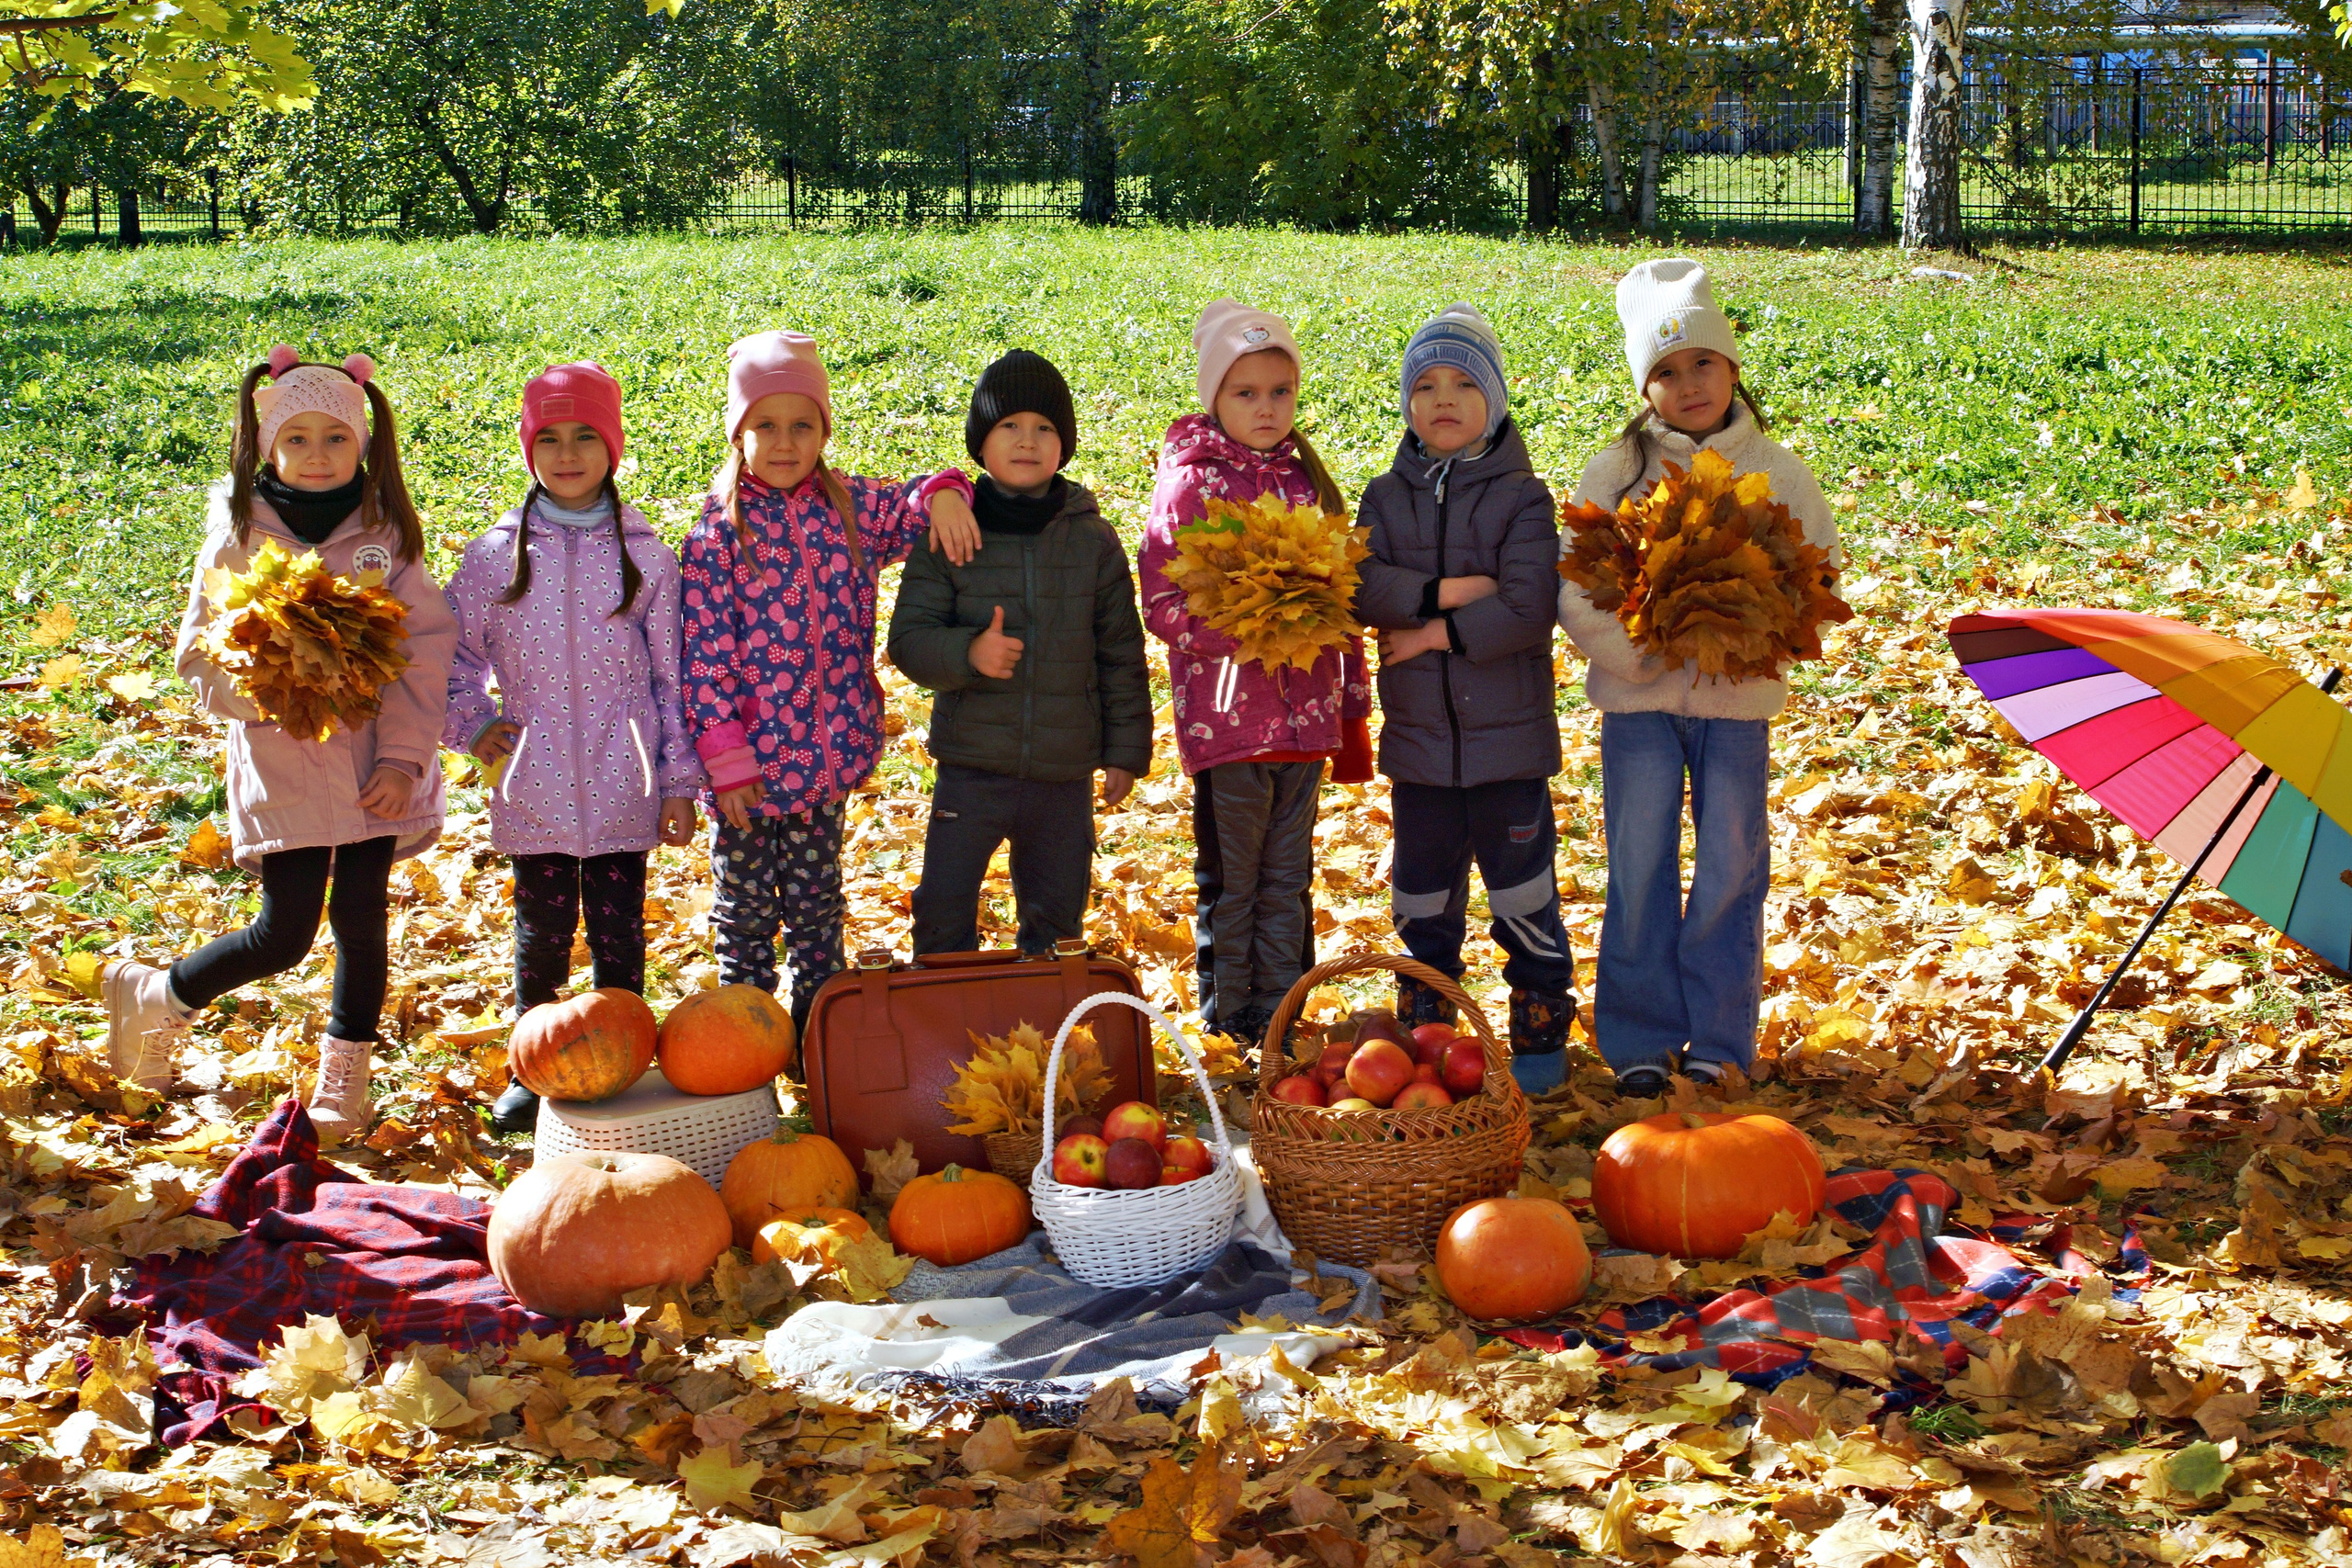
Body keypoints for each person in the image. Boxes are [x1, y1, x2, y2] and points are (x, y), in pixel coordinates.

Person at [104, 346, 457, 1143]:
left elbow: (423, 651)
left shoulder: (385, 536)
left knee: (364, 921)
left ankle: (346, 1074)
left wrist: (404, 760)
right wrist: (268, 687)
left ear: (362, 444)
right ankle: (160, 997)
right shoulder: (235, 537)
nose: (317, 455)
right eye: (296, 438)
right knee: (286, 932)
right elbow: (198, 654)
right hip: (283, 764)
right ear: (268, 447)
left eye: (335, 437)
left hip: (376, 770)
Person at [1558, 258, 1838, 1098]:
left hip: (1736, 707)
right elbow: (1573, 583)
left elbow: (1816, 578)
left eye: (1703, 364)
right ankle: (1640, 1035)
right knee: (1638, 862)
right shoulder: (1616, 471)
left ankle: (1720, 1036)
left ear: (1733, 366)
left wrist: (1756, 640)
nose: (1689, 384)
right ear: (1646, 386)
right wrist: (1633, 651)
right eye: (1667, 372)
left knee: (1729, 865)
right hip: (1639, 704)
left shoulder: (1779, 472)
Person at [680, 331, 980, 1034]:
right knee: (746, 915)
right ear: (738, 431)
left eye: (802, 425)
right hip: (746, 775)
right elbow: (704, 659)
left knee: (818, 908)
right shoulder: (719, 534)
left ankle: (820, 1040)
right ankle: (745, 1044)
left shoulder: (850, 510)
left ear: (823, 429)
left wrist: (943, 495)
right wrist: (726, 758)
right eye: (766, 425)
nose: (785, 442)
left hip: (823, 762)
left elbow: (917, 500)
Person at [444, 363, 703, 1134]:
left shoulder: (648, 559)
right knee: (541, 933)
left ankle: (620, 1062)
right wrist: (471, 725)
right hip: (535, 782)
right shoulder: (495, 557)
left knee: (620, 931)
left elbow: (673, 678)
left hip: (627, 778)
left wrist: (680, 782)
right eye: (548, 439)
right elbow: (455, 659)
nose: (565, 454)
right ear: (528, 449)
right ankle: (536, 1067)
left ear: (612, 447)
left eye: (584, 436)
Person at [1138, 300, 1372, 1046]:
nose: (1266, 407)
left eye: (1280, 391)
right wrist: (1245, 631)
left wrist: (1351, 709)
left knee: (1288, 877)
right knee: (1233, 879)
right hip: (1231, 724)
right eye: (1246, 392)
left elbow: (1340, 605)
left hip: (1304, 723)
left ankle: (1280, 1012)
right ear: (1215, 397)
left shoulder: (1306, 482)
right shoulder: (1193, 484)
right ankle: (1227, 1013)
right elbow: (1163, 599)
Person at [1353, 304, 1573, 1094]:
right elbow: (1362, 583)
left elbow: (1524, 606)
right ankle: (1428, 1031)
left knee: (1522, 894)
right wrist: (1448, 592)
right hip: (1418, 747)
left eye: (1463, 383)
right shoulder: (1384, 497)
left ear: (1496, 398)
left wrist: (1432, 634)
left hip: (1506, 747)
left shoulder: (1522, 497)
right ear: (1408, 402)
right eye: (1426, 385)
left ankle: (1542, 1023)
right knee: (1420, 897)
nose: (1443, 399)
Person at [888, 351, 1151, 955]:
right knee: (944, 906)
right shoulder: (953, 530)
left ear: (1065, 445)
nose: (1028, 441)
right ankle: (946, 1024)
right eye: (1009, 426)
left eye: (1045, 428)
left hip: (1061, 775)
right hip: (971, 768)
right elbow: (908, 640)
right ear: (981, 443)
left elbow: (1121, 651)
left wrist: (1124, 752)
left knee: (1057, 918)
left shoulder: (1091, 538)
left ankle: (1046, 1035)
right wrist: (968, 652)